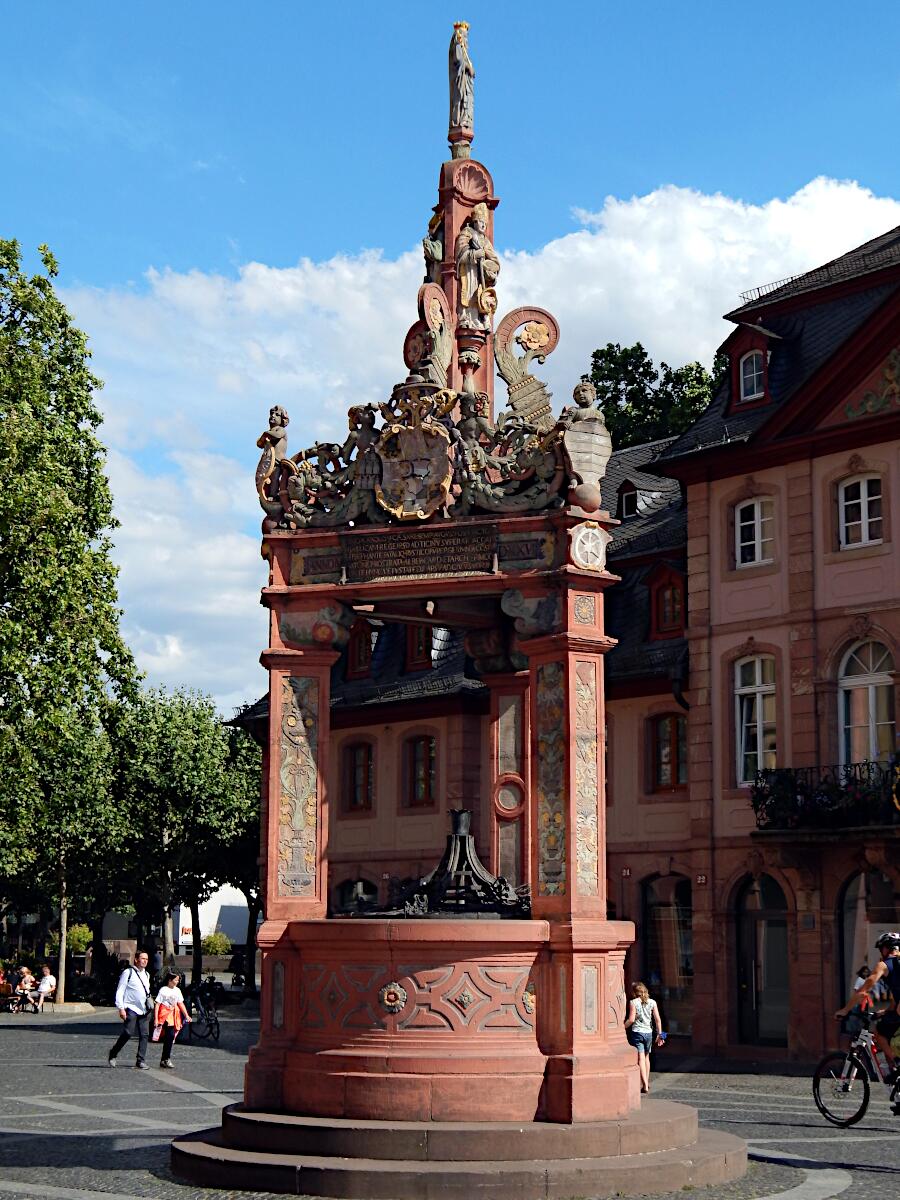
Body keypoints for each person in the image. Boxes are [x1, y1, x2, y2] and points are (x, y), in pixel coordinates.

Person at [836, 932, 900, 1095]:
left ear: (886, 949)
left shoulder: (885, 965)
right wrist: (885, 1010)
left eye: (881, 950)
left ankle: (897, 1066)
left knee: (879, 1034)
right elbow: (895, 999)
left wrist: (845, 1010)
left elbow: (865, 988)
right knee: (889, 1036)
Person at [108, 949, 154, 1070]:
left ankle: (140, 1060)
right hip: (131, 1008)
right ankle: (113, 1053)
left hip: (144, 1009)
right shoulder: (128, 973)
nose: (145, 961)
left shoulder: (147, 974)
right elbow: (120, 991)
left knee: (144, 1035)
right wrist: (121, 1008)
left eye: (147, 959)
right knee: (128, 1033)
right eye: (143, 958)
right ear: (136, 959)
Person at [624, 980, 665, 1094]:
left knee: (640, 1058)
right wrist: (661, 1035)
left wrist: (622, 1027)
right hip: (649, 1033)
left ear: (634, 992)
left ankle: (645, 1085)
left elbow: (631, 1020)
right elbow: (658, 1020)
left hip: (637, 1032)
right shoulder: (652, 1002)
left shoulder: (633, 1002)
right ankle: (646, 1082)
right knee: (647, 1058)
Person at [152, 969, 191, 1069]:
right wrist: (156, 1019)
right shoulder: (163, 990)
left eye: (178, 980)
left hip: (174, 1014)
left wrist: (186, 1015)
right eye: (176, 980)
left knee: (170, 1037)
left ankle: (164, 1059)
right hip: (165, 1014)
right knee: (169, 1035)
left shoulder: (177, 990)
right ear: (170, 980)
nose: (177, 982)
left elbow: (180, 1003)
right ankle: (166, 1058)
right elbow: (157, 1004)